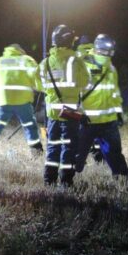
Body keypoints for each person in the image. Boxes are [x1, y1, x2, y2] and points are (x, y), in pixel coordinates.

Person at [37, 24, 90, 186]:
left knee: (53, 146)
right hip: (70, 112)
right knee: (69, 147)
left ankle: (49, 180)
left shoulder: (45, 62)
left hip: (53, 113)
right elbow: (85, 83)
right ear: (69, 41)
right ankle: (66, 181)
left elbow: (39, 85)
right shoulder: (76, 60)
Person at [74, 34, 128, 178]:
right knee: (78, 154)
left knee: (115, 152)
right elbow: (75, 90)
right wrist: (77, 112)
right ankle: (67, 178)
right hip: (88, 120)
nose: (109, 53)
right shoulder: (84, 64)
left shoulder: (110, 67)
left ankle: (122, 177)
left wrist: (118, 113)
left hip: (107, 121)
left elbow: (115, 92)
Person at [0, 43, 43, 155]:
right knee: (29, 124)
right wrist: (41, 88)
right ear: (21, 51)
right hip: (22, 99)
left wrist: (0, 87)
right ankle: (36, 150)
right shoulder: (26, 60)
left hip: (3, 99)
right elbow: (36, 76)